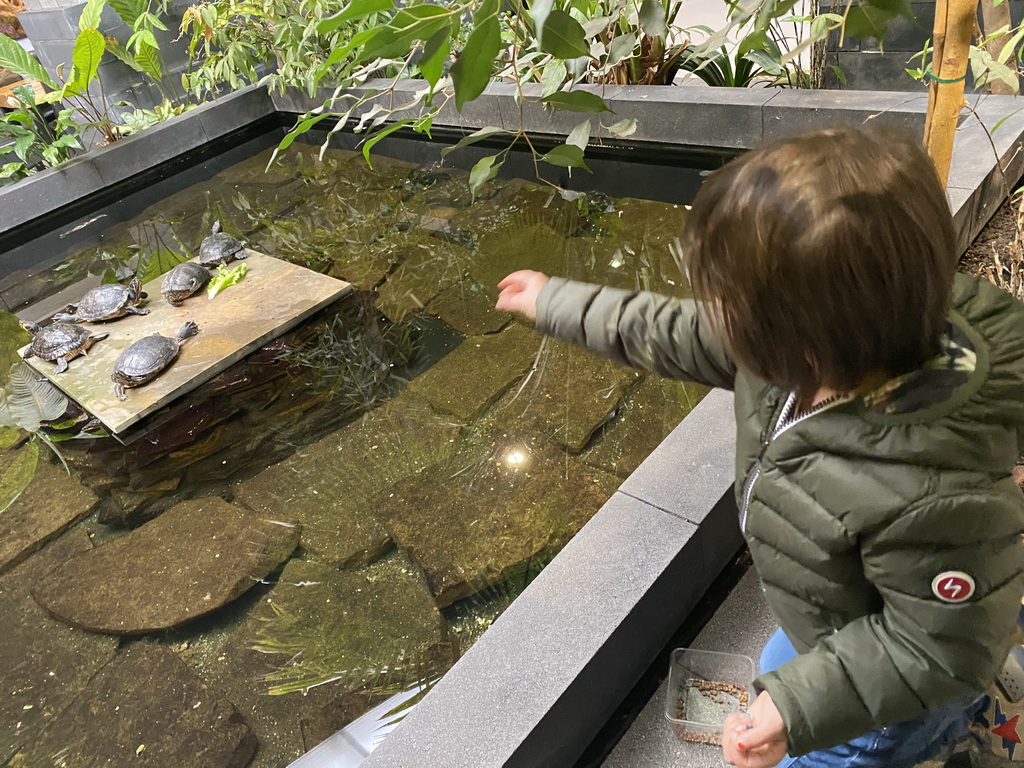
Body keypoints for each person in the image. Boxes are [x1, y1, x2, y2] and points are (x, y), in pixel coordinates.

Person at [494, 125, 1024, 768]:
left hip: (898, 689)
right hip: (840, 609)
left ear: (800, 339)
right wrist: (559, 302)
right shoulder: (847, 338)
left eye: (730, 308)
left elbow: (942, 649)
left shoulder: (932, 495)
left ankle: (942, 738)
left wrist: (794, 710)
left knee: (849, 738)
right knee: (789, 659)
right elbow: (672, 330)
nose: (712, 315)